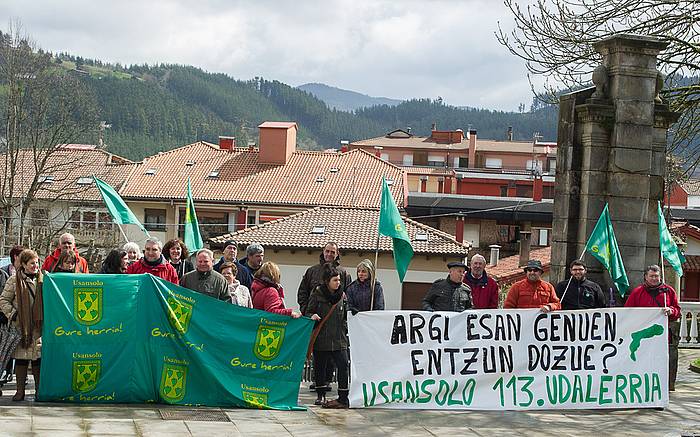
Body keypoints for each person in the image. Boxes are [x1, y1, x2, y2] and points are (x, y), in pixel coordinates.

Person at [625, 265, 681, 391]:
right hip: (642, 337)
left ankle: (659, 391)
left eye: (657, 276)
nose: (654, 278)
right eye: (652, 276)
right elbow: (627, 311)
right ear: (646, 277)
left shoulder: (669, 291)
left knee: (660, 365)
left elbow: (677, 310)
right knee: (641, 363)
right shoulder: (637, 292)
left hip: (661, 337)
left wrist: (671, 311)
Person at [0, 249, 43, 401]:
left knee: (37, 359)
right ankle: (20, 391)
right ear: (24, 264)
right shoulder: (14, 280)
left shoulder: (43, 280)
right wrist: (14, 314)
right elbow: (3, 301)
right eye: (32, 263)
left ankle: (39, 390)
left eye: (37, 263)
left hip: (38, 327)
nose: (35, 266)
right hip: (21, 327)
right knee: (21, 359)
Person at [305, 264, 349, 408]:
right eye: (335, 280)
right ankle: (320, 395)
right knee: (320, 367)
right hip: (321, 337)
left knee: (343, 366)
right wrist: (312, 315)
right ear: (327, 281)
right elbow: (308, 311)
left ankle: (343, 397)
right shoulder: (317, 294)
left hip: (339, 338)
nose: (338, 283)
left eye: (339, 280)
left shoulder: (342, 295)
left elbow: (347, 314)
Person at [298, 242, 352, 315]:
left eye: (332, 252)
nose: (329, 254)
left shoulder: (344, 273)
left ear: (337, 253)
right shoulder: (312, 271)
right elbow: (302, 293)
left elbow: (349, 297)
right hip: (315, 319)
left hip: (336, 319)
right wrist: (306, 312)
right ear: (323, 251)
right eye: (327, 251)